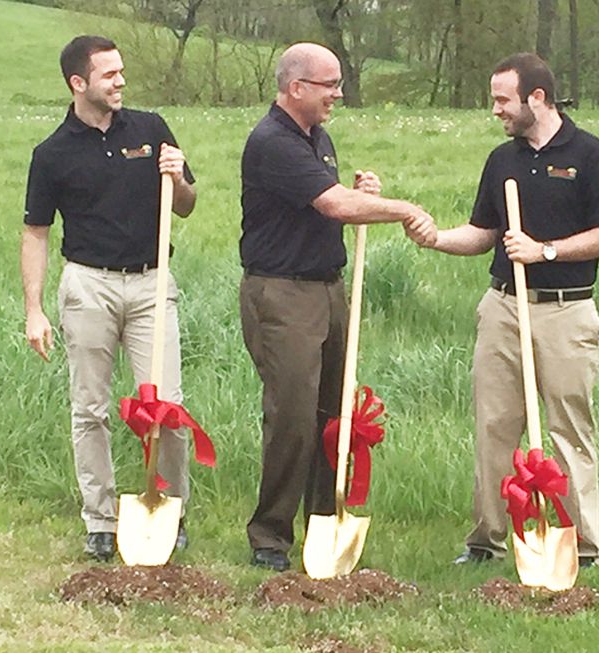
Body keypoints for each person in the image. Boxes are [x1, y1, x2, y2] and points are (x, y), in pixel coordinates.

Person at [408, 53, 599, 568]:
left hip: (566, 312)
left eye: (503, 100)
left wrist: (543, 250)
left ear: (537, 98)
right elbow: (483, 233)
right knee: (494, 425)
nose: (496, 110)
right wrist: (435, 238)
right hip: (503, 307)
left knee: (568, 429)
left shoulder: (590, 155)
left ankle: (581, 546)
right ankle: (487, 540)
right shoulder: (501, 160)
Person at [239, 42, 437, 572]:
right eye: (329, 84)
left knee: (334, 416)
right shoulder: (271, 141)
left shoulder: (316, 138)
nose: (338, 94)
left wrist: (362, 194)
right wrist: (399, 209)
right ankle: (269, 537)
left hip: (327, 289)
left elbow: (330, 199)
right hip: (282, 293)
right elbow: (332, 205)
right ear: (295, 87)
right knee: (294, 416)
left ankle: (324, 524)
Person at [21, 35, 197, 561]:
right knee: (90, 408)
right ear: (79, 83)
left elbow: (186, 204)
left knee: (166, 405)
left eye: (122, 72)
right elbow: (35, 232)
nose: (120, 81)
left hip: (152, 282)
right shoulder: (51, 154)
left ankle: (169, 507)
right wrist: (34, 309)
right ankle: (100, 519)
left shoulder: (151, 129)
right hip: (88, 285)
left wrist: (177, 177)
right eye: (109, 75)